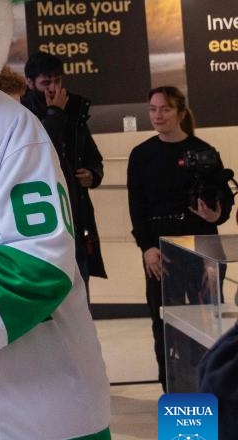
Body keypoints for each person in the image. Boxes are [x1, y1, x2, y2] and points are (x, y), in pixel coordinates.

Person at [127, 86, 234, 390]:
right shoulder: (142, 155)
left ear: (180, 113)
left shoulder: (204, 151)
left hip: (202, 248)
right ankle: (174, 392)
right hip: (161, 252)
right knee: (164, 325)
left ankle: (209, 388)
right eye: (152, 109)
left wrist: (216, 215)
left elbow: (223, 201)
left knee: (205, 322)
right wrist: (147, 247)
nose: (157, 115)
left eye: (165, 109)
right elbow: (137, 207)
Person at [22, 51, 106, 295]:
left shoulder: (75, 110)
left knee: (81, 286)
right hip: (43, 214)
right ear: (29, 83)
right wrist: (54, 114)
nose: (53, 88)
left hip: (76, 214)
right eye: (45, 83)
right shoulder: (22, 113)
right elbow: (38, 152)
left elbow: (94, 157)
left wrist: (93, 174)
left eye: (57, 81)